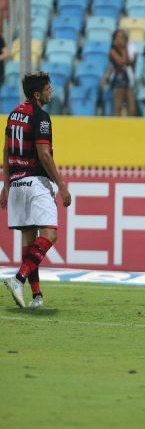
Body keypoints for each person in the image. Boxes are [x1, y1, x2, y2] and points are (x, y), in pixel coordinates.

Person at [2, 72, 72, 309]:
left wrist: (6, 185)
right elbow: (44, 154)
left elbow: (5, 151)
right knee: (50, 235)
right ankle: (18, 278)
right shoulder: (41, 117)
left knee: (29, 239)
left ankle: (36, 296)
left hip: (17, 185)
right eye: (48, 88)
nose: (51, 91)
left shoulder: (13, 115)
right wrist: (61, 185)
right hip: (35, 183)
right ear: (37, 94)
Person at [101, 29, 137, 116]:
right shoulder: (113, 50)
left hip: (128, 77)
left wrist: (125, 48)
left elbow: (132, 62)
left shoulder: (128, 48)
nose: (119, 39)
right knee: (118, 106)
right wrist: (124, 49)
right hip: (119, 78)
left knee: (132, 108)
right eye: (117, 37)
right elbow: (122, 61)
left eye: (122, 37)